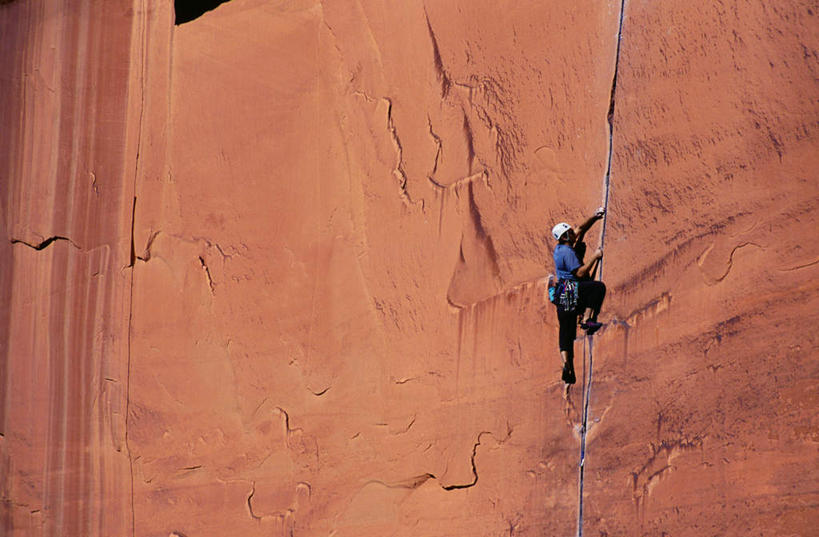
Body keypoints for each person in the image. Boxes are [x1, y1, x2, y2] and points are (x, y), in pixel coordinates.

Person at [550, 208, 607, 384]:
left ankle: (567, 364)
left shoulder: (561, 247)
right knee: (596, 288)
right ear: (565, 237)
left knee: (566, 333)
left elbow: (580, 229)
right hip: (571, 288)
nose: (574, 234)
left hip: (562, 293)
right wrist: (595, 257)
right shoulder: (567, 253)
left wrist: (595, 216)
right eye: (569, 233)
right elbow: (581, 273)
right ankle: (587, 320)